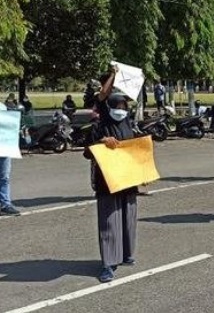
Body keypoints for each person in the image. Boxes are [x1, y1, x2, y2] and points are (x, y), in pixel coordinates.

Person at [83, 66, 139, 283]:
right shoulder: (100, 125)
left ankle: (126, 254)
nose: (122, 109)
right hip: (107, 181)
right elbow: (88, 152)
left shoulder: (128, 124)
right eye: (118, 105)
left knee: (128, 218)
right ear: (109, 106)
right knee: (109, 220)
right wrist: (102, 142)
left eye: (125, 106)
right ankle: (108, 263)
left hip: (128, 180)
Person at [0, 102, 21, 217]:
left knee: (4, 177)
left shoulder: (3, 107)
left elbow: (10, 124)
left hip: (4, 146)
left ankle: (5, 205)